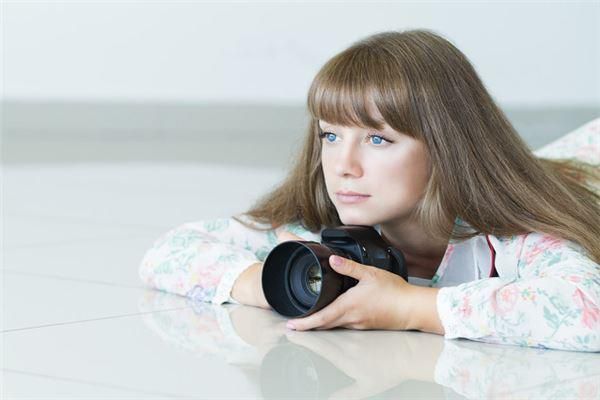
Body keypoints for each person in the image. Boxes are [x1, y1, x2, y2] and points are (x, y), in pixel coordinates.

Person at [139, 29, 600, 352]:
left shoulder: (512, 231)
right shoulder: (323, 224)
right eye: (330, 135)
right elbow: (171, 252)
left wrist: (411, 307)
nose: (343, 166)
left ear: (448, 148)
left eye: (378, 140)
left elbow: (588, 310)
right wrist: (268, 284)